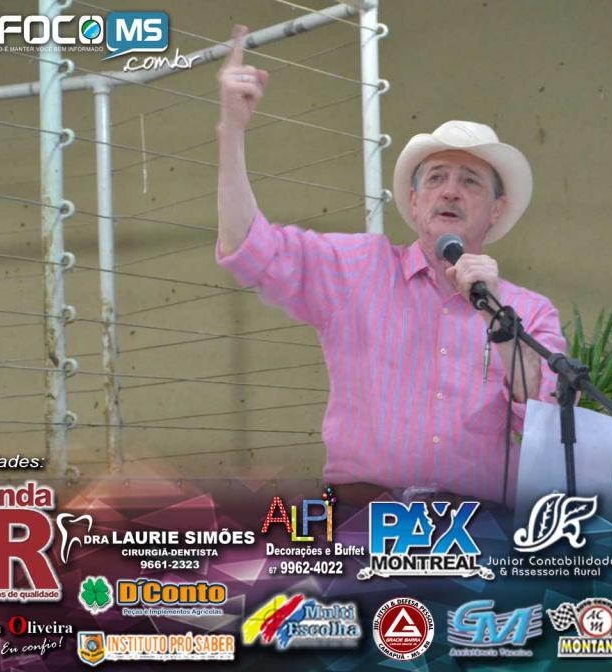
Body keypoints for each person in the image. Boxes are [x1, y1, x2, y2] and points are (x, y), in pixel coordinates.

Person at [214, 26, 564, 506]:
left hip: (475, 533)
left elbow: (547, 412)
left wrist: (497, 317)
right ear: (415, 202)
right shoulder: (358, 269)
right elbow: (250, 247)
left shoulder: (529, 310)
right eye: (436, 178)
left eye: (470, 181)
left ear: (496, 210)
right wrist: (232, 132)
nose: (450, 191)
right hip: (366, 524)